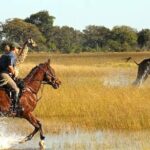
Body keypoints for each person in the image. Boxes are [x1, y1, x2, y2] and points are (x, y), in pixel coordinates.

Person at [0, 42, 21, 111]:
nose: (19, 50)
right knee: (16, 89)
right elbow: (10, 66)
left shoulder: (5, 54)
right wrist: (14, 73)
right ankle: (14, 108)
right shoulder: (12, 55)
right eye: (18, 49)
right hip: (3, 74)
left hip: (2, 73)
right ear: (14, 48)